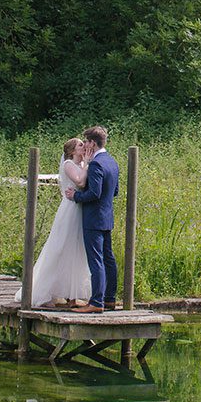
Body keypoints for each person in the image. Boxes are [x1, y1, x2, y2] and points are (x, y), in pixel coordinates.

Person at [18, 138, 94, 308]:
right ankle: (44, 291)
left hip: (80, 208)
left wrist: (86, 165)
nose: (84, 147)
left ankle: (73, 296)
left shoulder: (82, 166)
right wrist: (88, 164)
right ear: (72, 151)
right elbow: (80, 181)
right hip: (70, 210)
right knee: (61, 247)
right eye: (80, 145)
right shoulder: (68, 164)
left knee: (77, 250)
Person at [67, 125, 118, 313]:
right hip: (106, 216)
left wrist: (76, 197)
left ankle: (97, 302)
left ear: (92, 143)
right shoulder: (112, 161)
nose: (85, 144)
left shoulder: (96, 164)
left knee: (96, 260)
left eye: (86, 141)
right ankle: (110, 299)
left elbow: (94, 193)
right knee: (108, 258)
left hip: (94, 218)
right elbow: (115, 191)